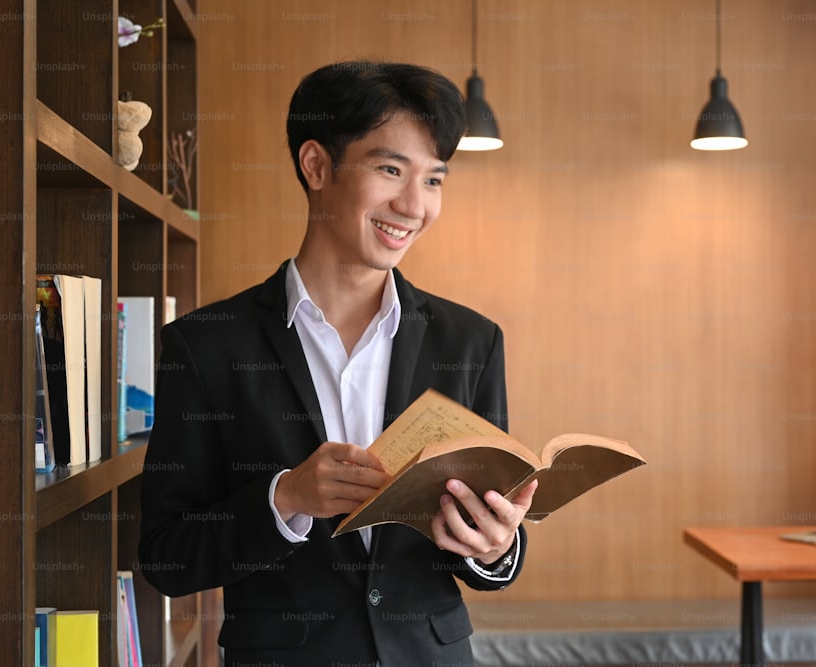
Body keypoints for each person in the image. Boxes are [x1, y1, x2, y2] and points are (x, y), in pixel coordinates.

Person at [138, 60, 537, 667]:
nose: (414, 205)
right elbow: (168, 556)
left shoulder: (471, 343)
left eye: (434, 180)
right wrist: (286, 497)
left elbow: (486, 549)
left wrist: (495, 547)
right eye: (390, 170)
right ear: (317, 165)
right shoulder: (205, 346)